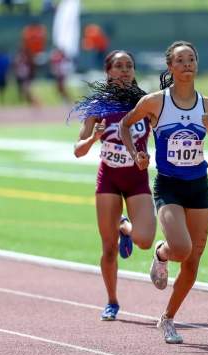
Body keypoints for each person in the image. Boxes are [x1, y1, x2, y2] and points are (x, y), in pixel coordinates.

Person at [120, 41, 208, 343]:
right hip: (168, 184)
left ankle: (167, 319)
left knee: (193, 263)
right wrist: (137, 154)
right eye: (179, 60)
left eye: (191, 59)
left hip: (198, 186)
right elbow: (126, 125)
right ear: (170, 67)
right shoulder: (156, 102)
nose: (186, 65)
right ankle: (161, 252)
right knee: (181, 249)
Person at [73, 50, 156, 321]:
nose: (124, 70)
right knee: (108, 247)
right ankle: (111, 301)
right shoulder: (98, 105)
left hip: (136, 177)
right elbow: (78, 149)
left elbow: (162, 133)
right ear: (108, 71)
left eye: (128, 66)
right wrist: (92, 139)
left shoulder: (146, 101)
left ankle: (126, 227)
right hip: (108, 177)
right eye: (118, 66)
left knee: (144, 241)